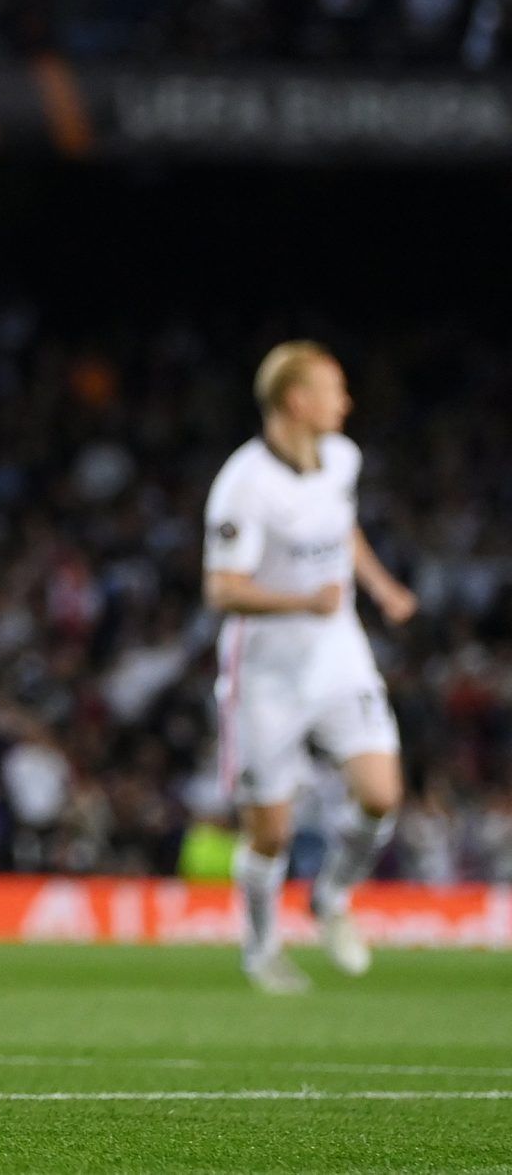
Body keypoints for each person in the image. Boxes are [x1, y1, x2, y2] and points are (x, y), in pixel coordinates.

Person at [204, 341, 417, 993]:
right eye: (334, 388)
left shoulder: (342, 458)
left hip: (337, 653)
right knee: (271, 830)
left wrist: (380, 586)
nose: (346, 401)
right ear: (297, 400)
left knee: (382, 791)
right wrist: (302, 598)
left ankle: (332, 896)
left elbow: (341, 525)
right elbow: (223, 587)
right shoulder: (244, 484)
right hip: (265, 672)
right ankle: (262, 945)